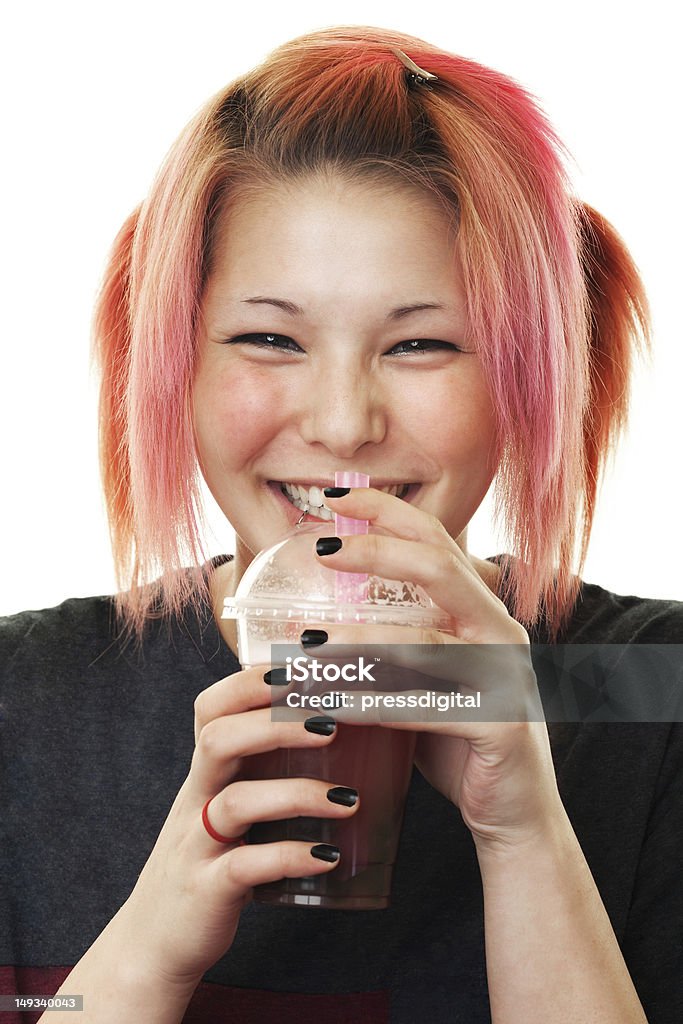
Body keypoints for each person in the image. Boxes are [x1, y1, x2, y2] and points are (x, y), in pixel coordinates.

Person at [1, 24, 681, 1024]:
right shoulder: (25, 701)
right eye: (269, 337)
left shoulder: (650, 690)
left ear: (527, 376)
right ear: (174, 365)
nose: (339, 424)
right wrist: (145, 946)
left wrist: (525, 835)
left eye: (421, 343)